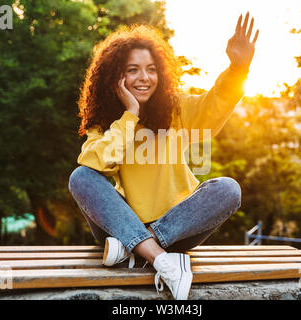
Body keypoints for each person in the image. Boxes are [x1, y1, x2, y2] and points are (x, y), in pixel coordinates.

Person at [68, 12, 258, 300]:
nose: (144, 77)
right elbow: (96, 163)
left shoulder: (176, 110)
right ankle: (162, 259)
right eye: (133, 70)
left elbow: (212, 109)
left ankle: (139, 249)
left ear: (161, 74)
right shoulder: (105, 123)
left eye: (151, 69)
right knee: (81, 176)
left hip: (176, 229)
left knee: (228, 189)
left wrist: (237, 69)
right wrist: (130, 115)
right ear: (115, 77)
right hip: (118, 224)